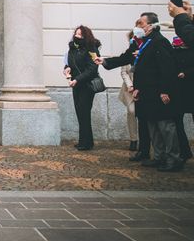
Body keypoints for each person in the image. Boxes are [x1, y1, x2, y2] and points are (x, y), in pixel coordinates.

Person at [95, 12, 182, 172]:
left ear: (151, 25)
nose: (138, 27)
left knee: (165, 127)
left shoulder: (159, 42)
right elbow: (127, 58)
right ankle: (159, 156)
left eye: (141, 23)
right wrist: (105, 61)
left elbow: (167, 68)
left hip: (158, 92)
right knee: (153, 126)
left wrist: (165, 90)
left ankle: (173, 158)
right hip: (147, 93)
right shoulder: (143, 43)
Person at [63, 25, 101, 151]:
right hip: (76, 84)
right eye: (76, 33)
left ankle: (86, 142)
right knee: (80, 112)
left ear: (86, 36)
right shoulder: (73, 48)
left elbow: (92, 68)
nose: (77, 36)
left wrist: (77, 79)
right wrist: (66, 69)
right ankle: (84, 140)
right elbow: (69, 64)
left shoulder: (91, 48)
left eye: (80, 34)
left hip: (87, 85)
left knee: (84, 112)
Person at [171, 36, 193, 162]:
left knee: (177, 121)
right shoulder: (174, 50)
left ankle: (184, 151)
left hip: (189, 89)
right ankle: (184, 150)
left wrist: (187, 73)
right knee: (177, 122)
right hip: (178, 91)